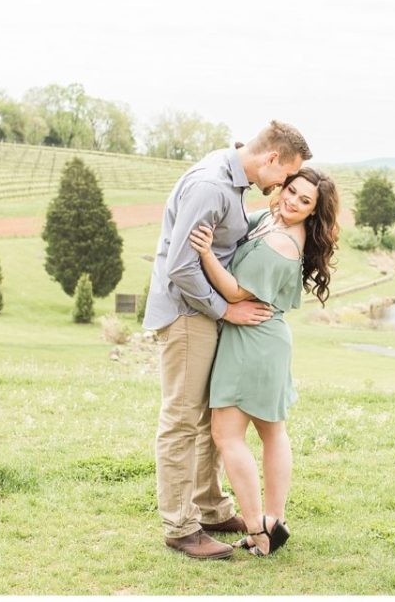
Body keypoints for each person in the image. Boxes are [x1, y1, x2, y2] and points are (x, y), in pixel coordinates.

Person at [142, 120, 313, 560]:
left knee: (205, 419)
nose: (283, 186)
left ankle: (212, 509)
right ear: (271, 158)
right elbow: (181, 266)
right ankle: (181, 528)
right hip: (188, 313)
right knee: (183, 419)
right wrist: (226, 309)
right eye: (286, 175)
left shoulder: (232, 178)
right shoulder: (212, 186)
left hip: (204, 313)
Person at [188, 166, 339, 557]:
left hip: (251, 341)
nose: (292, 201)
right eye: (291, 190)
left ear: (313, 211)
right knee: (272, 432)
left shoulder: (281, 243)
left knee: (227, 435)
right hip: (267, 339)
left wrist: (205, 253)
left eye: (304, 201)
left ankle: (258, 528)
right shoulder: (274, 221)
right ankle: (274, 522)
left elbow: (235, 292)